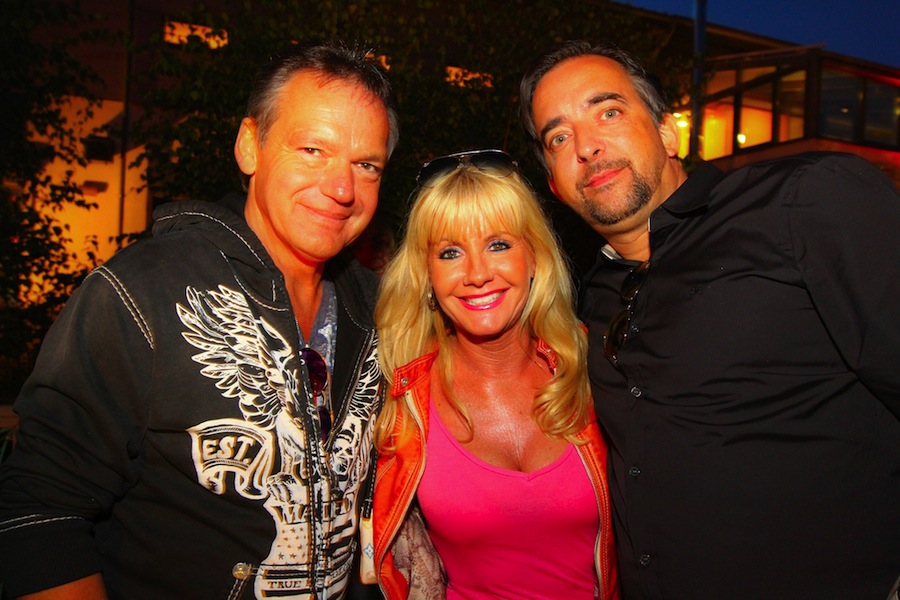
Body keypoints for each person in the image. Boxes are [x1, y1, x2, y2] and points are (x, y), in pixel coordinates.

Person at [0, 40, 399, 599]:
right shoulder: (143, 291)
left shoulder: (384, 310)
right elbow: (39, 513)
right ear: (250, 146)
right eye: (312, 149)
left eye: (366, 165)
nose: (341, 188)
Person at [519, 39, 900, 599]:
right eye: (558, 137)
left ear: (668, 132)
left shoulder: (803, 202)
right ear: (554, 183)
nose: (587, 146)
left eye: (609, 112)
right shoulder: (589, 300)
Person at [366, 149, 620, 599]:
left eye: (498, 245)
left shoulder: (596, 365)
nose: (477, 274)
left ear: (534, 258)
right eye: (450, 252)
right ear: (427, 275)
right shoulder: (400, 398)